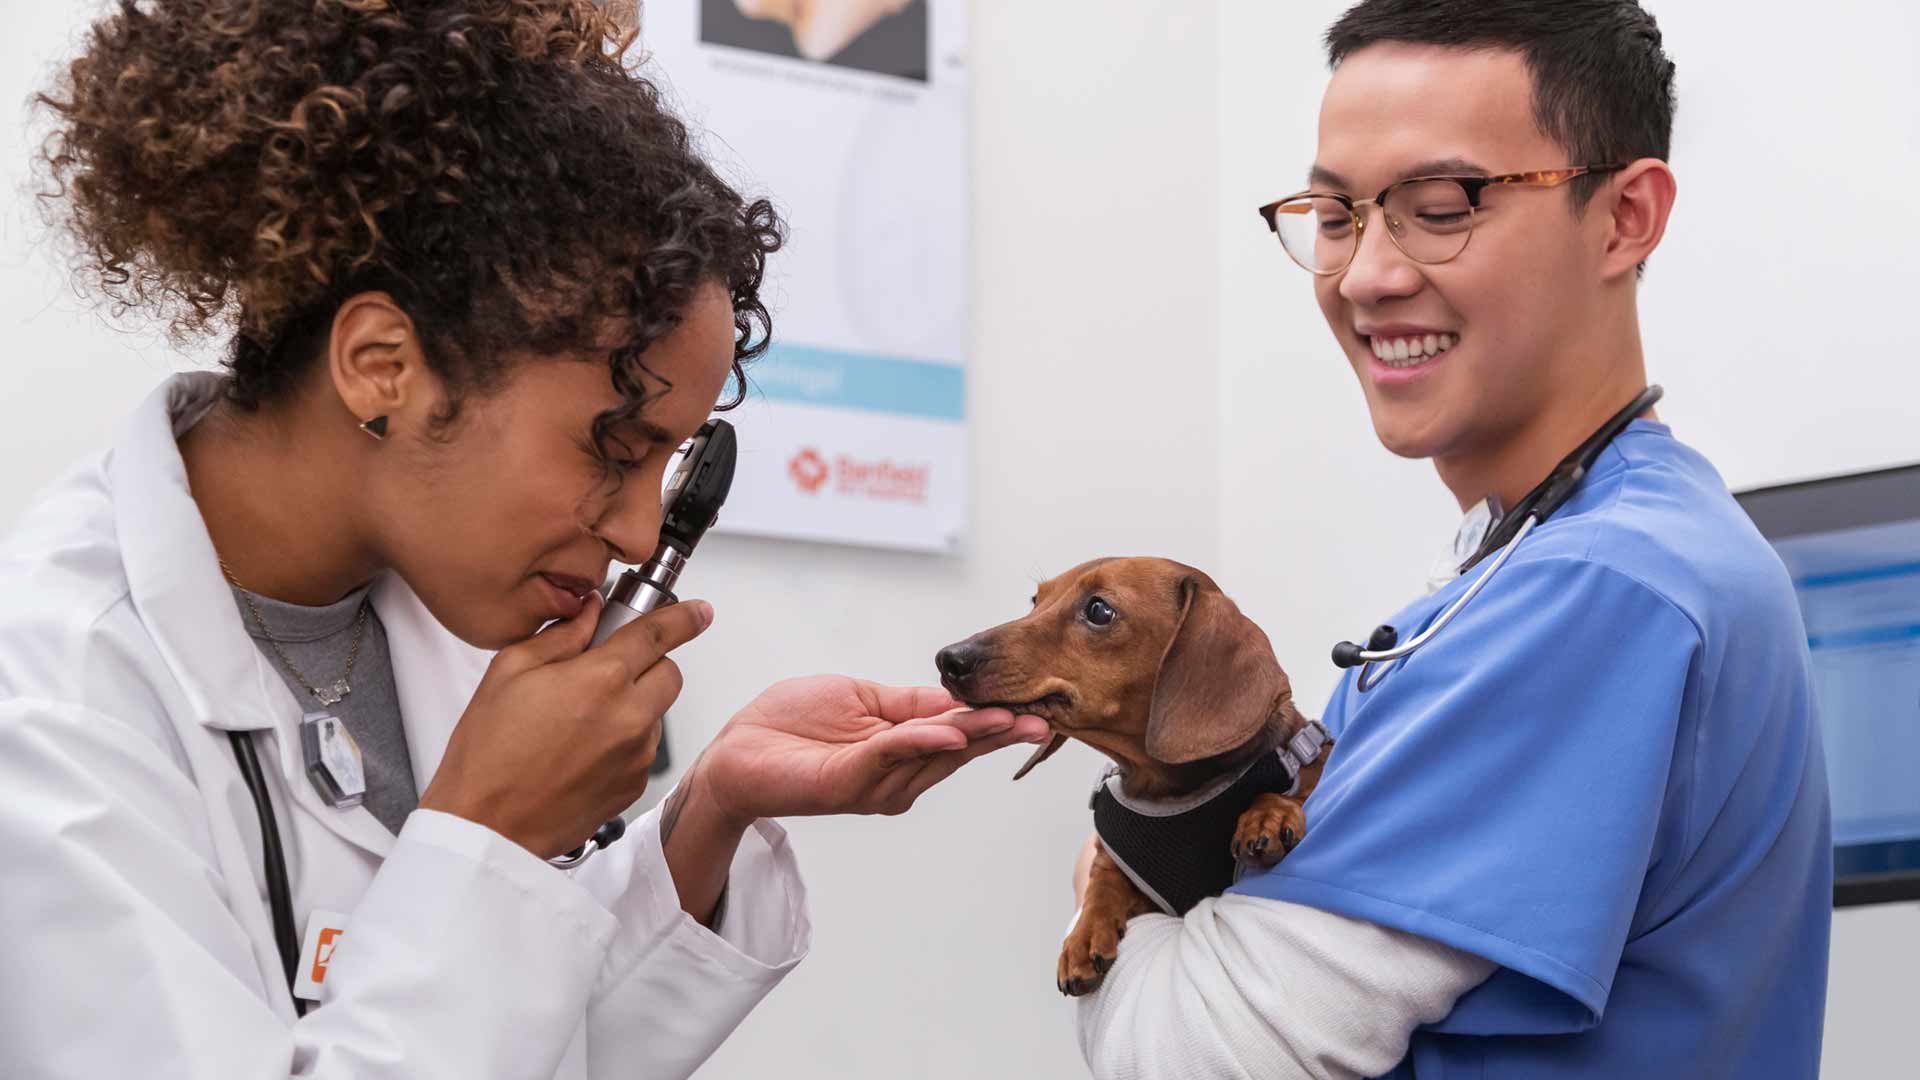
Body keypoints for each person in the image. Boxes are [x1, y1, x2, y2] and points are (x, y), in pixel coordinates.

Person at [0, 2, 1049, 1077]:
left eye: (666, 466)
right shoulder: (53, 708)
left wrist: (710, 809)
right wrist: (490, 835)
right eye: (612, 447)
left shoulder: (444, 611)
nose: (642, 531)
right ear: (382, 367)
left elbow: (522, 1032)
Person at [1072, 2, 1831, 1077]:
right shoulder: (1568, 554)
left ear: (1625, 218)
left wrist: (1117, 881)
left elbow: (1189, 1054)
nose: (1369, 274)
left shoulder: (1600, 590)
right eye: (1335, 218)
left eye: (1440, 207)